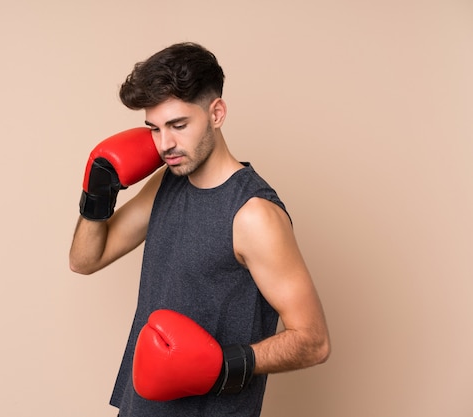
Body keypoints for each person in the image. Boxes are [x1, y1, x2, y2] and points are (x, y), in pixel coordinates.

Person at [69, 42, 330, 417]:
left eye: (178, 125)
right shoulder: (167, 182)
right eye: (154, 129)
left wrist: (221, 367)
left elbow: (313, 341)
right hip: (140, 406)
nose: (165, 144)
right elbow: (85, 260)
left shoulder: (253, 214)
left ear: (217, 113)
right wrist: (96, 196)